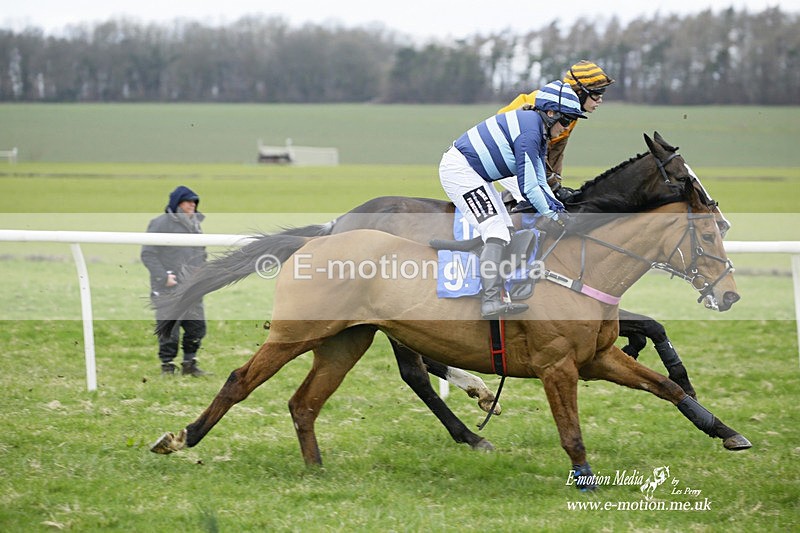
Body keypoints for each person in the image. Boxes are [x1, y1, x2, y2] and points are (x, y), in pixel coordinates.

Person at [439, 80, 586, 319]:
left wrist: (559, 209)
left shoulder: (537, 130)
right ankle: (489, 301)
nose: (566, 128)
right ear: (550, 113)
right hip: (461, 171)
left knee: (506, 231)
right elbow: (529, 187)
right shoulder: (530, 133)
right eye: (566, 120)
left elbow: (540, 181)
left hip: (475, 173)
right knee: (496, 230)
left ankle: (494, 282)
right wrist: (555, 216)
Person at [496, 60, 615, 203]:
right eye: (596, 94)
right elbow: (533, 153)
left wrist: (557, 184)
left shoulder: (570, 112)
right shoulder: (544, 106)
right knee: (538, 199)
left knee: (548, 197)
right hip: (504, 152)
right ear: (580, 92)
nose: (600, 100)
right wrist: (554, 188)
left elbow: (556, 150)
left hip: (522, 156)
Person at [141, 185, 208, 376]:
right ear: (178, 203)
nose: (193, 205)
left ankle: (189, 364)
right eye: (188, 201)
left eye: (194, 201)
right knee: (170, 329)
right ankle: (167, 367)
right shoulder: (160, 224)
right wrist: (164, 277)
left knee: (197, 327)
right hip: (168, 287)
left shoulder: (195, 224)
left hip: (192, 286)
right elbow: (148, 254)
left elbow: (201, 252)